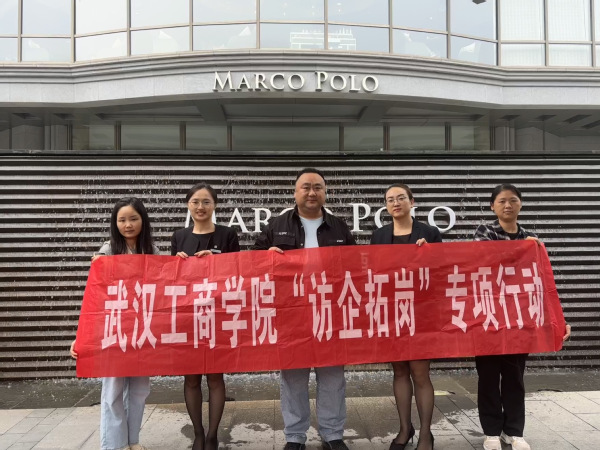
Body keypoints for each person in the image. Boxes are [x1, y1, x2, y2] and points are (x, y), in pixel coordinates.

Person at [252, 168, 355, 450]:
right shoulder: (277, 225)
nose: (312, 192)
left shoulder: (339, 227)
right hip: (291, 312)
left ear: (325, 192)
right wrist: (266, 257)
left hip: (330, 311)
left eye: (318, 187)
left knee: (332, 375)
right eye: (306, 187)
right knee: (293, 376)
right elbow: (254, 261)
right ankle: (295, 436)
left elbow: (356, 265)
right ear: (295, 192)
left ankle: (332, 434)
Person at [473, 184, 572, 450]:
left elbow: (543, 284)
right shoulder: (484, 232)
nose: (508, 205)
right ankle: (491, 432)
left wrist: (558, 319)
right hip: (489, 317)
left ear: (521, 204)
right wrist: (521, 249)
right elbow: (486, 260)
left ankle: (513, 431)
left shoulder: (532, 239)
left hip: (520, 319)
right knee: (488, 376)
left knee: (515, 376)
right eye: (502, 201)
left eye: (513, 200)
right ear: (492, 206)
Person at [70, 196, 158, 450]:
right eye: (122, 220)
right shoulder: (107, 251)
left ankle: (132, 440)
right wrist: (81, 338)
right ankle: (113, 445)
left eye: (133, 219)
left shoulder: (152, 251)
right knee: (113, 390)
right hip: (114, 329)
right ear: (115, 223)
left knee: (140, 390)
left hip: (141, 330)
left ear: (143, 220)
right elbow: (94, 299)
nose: (128, 225)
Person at [370, 184, 440, 450]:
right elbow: (372, 273)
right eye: (390, 199)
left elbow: (443, 270)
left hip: (421, 313)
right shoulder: (379, 235)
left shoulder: (429, 233)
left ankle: (426, 434)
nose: (395, 203)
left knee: (420, 373)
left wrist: (429, 253)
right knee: (399, 371)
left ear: (412, 201)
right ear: (386, 206)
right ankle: (404, 428)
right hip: (391, 311)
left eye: (401, 198)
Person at [171, 182, 240, 450]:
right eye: (195, 202)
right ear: (188, 205)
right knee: (190, 378)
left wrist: (216, 260)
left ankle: (212, 435)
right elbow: (172, 282)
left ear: (215, 205)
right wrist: (176, 264)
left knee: (214, 377)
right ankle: (198, 434)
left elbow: (238, 272)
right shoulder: (179, 237)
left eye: (206, 202)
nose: (200, 207)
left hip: (217, 315)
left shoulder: (227, 234)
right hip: (188, 316)